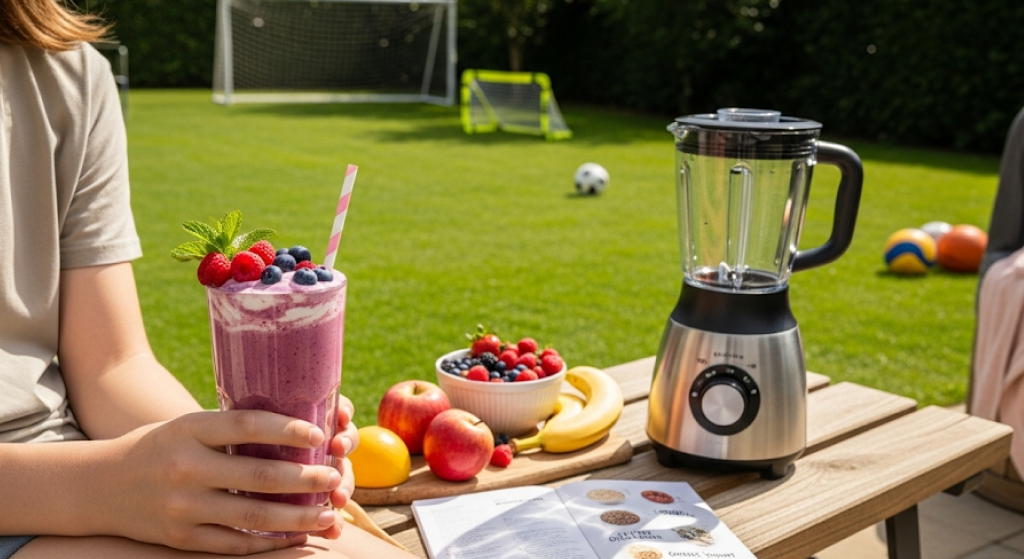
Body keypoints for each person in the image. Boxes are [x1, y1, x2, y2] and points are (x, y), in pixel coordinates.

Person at [0, 1, 416, 557]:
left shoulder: (67, 73)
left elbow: (110, 365)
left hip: (68, 466)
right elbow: (101, 481)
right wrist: (104, 487)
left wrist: (234, 467)